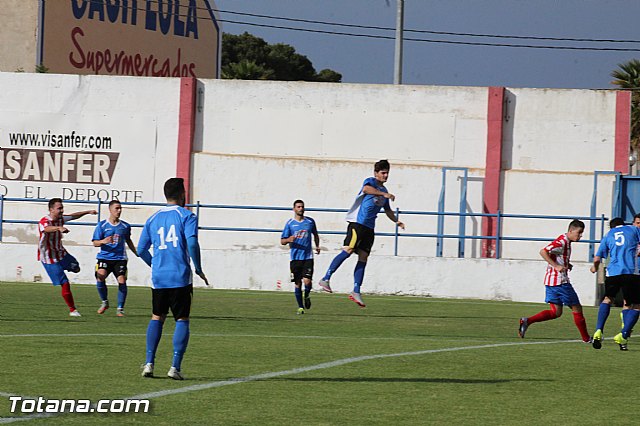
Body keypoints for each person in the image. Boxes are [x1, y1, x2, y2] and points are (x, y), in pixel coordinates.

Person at [138, 177, 209, 380]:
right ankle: (174, 367)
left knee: (157, 317)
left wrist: (154, 264)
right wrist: (198, 268)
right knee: (181, 319)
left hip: (159, 278)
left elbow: (141, 249)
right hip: (179, 276)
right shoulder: (187, 216)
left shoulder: (153, 218)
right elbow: (192, 244)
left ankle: (149, 364)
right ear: (182, 194)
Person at [318, 159, 405, 308]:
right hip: (357, 224)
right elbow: (365, 190)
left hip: (369, 229)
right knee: (349, 250)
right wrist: (383, 195)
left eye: (387, 173)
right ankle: (326, 278)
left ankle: (356, 290)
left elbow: (388, 210)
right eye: (383, 173)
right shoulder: (370, 182)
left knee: (364, 257)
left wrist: (396, 221)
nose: (385, 175)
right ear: (376, 173)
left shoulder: (384, 192)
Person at [518, 219, 591, 342]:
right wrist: (556, 266)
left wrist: (567, 264)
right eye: (579, 232)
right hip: (560, 282)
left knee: (556, 312)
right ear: (571, 231)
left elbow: (555, 255)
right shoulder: (562, 241)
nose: (580, 236)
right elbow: (543, 251)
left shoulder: (566, 242)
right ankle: (586, 338)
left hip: (550, 282)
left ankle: (527, 321)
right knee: (577, 308)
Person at [37, 198, 97, 317]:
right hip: (49, 258)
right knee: (65, 283)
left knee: (76, 268)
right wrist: (59, 228)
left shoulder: (60, 219)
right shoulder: (44, 221)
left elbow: (73, 216)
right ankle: (72, 310)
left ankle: (65, 269)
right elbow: (46, 229)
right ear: (51, 209)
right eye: (59, 208)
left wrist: (87, 212)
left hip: (61, 253)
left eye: (62, 208)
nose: (62, 210)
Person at [590, 217, 640, 350]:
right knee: (635, 305)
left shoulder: (608, 235)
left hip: (612, 273)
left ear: (612, 227)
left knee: (607, 299)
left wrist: (594, 268)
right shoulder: (633, 229)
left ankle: (598, 330)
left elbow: (597, 258)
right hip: (630, 272)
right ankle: (623, 335)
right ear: (623, 224)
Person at [91, 200, 137, 317]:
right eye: (117, 208)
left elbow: (128, 240)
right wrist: (103, 241)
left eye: (120, 208)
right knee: (100, 276)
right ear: (110, 210)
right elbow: (95, 243)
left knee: (122, 280)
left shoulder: (125, 226)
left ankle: (120, 308)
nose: (119, 210)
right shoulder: (102, 225)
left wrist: (136, 252)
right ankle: (104, 302)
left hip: (119, 258)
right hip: (104, 258)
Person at [281, 199, 320, 315]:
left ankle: (307, 295)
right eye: (298, 207)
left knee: (307, 281)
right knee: (298, 283)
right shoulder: (290, 224)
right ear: (294, 209)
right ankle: (300, 307)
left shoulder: (310, 222)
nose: (301, 209)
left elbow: (316, 234)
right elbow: (282, 241)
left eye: (302, 207)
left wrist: (317, 246)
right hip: (295, 258)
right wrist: (289, 239)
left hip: (308, 256)